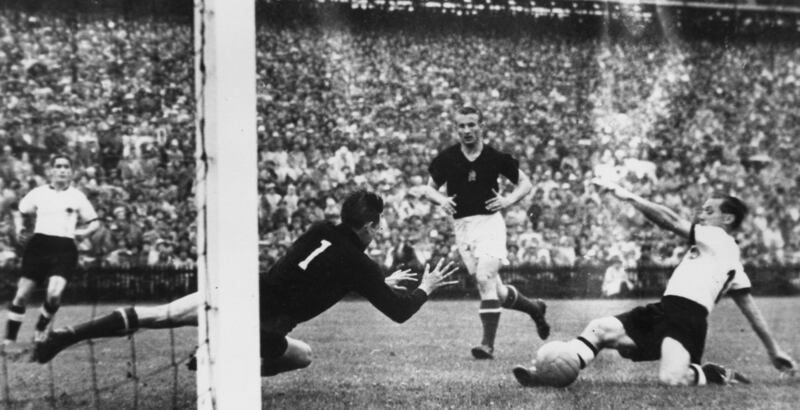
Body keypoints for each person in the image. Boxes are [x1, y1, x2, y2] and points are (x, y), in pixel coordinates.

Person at [32, 189, 459, 376]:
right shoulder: (358, 263)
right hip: (264, 326)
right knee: (303, 356)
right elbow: (399, 312)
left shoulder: (318, 231)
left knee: (158, 315)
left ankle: (68, 335)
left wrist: (380, 278)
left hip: (240, 290)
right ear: (368, 224)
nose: (379, 230)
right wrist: (427, 286)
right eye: (378, 224)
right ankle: (222, 364)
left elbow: (320, 273)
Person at [513, 179, 796, 387]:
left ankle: (709, 374)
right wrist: (774, 351)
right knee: (599, 328)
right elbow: (750, 308)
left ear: (728, 218)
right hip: (663, 311)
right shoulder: (726, 254)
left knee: (671, 380)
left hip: (687, 320)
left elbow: (670, 220)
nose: (701, 214)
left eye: (709, 210)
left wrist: (627, 196)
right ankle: (548, 374)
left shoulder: (719, 237)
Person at [424, 106, 549, 360]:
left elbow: (525, 183)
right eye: (462, 126)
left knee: (484, 277)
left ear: (482, 126)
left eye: (472, 125)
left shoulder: (495, 157)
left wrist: (508, 200)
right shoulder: (447, 158)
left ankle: (487, 345)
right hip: (463, 227)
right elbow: (429, 189)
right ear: (456, 128)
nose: (467, 130)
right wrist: (441, 200)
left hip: (490, 223)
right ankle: (535, 308)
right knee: (497, 291)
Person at [2, 155, 99, 355]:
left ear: (71, 172)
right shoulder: (38, 193)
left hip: (65, 247)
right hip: (39, 246)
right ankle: (9, 341)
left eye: (66, 167)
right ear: (51, 171)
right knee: (21, 295)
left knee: (54, 295)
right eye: (58, 166)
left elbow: (94, 222)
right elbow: (20, 210)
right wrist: (20, 227)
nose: (62, 170)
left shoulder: (77, 196)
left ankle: (40, 331)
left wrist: (82, 233)